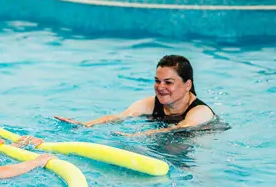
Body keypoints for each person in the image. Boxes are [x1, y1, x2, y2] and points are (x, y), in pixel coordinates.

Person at [52, 55, 216, 137]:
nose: (160, 87)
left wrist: (136, 136)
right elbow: (120, 117)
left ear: (187, 85)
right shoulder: (152, 104)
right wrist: (86, 125)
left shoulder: (200, 111)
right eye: (157, 81)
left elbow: (181, 129)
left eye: (168, 82)